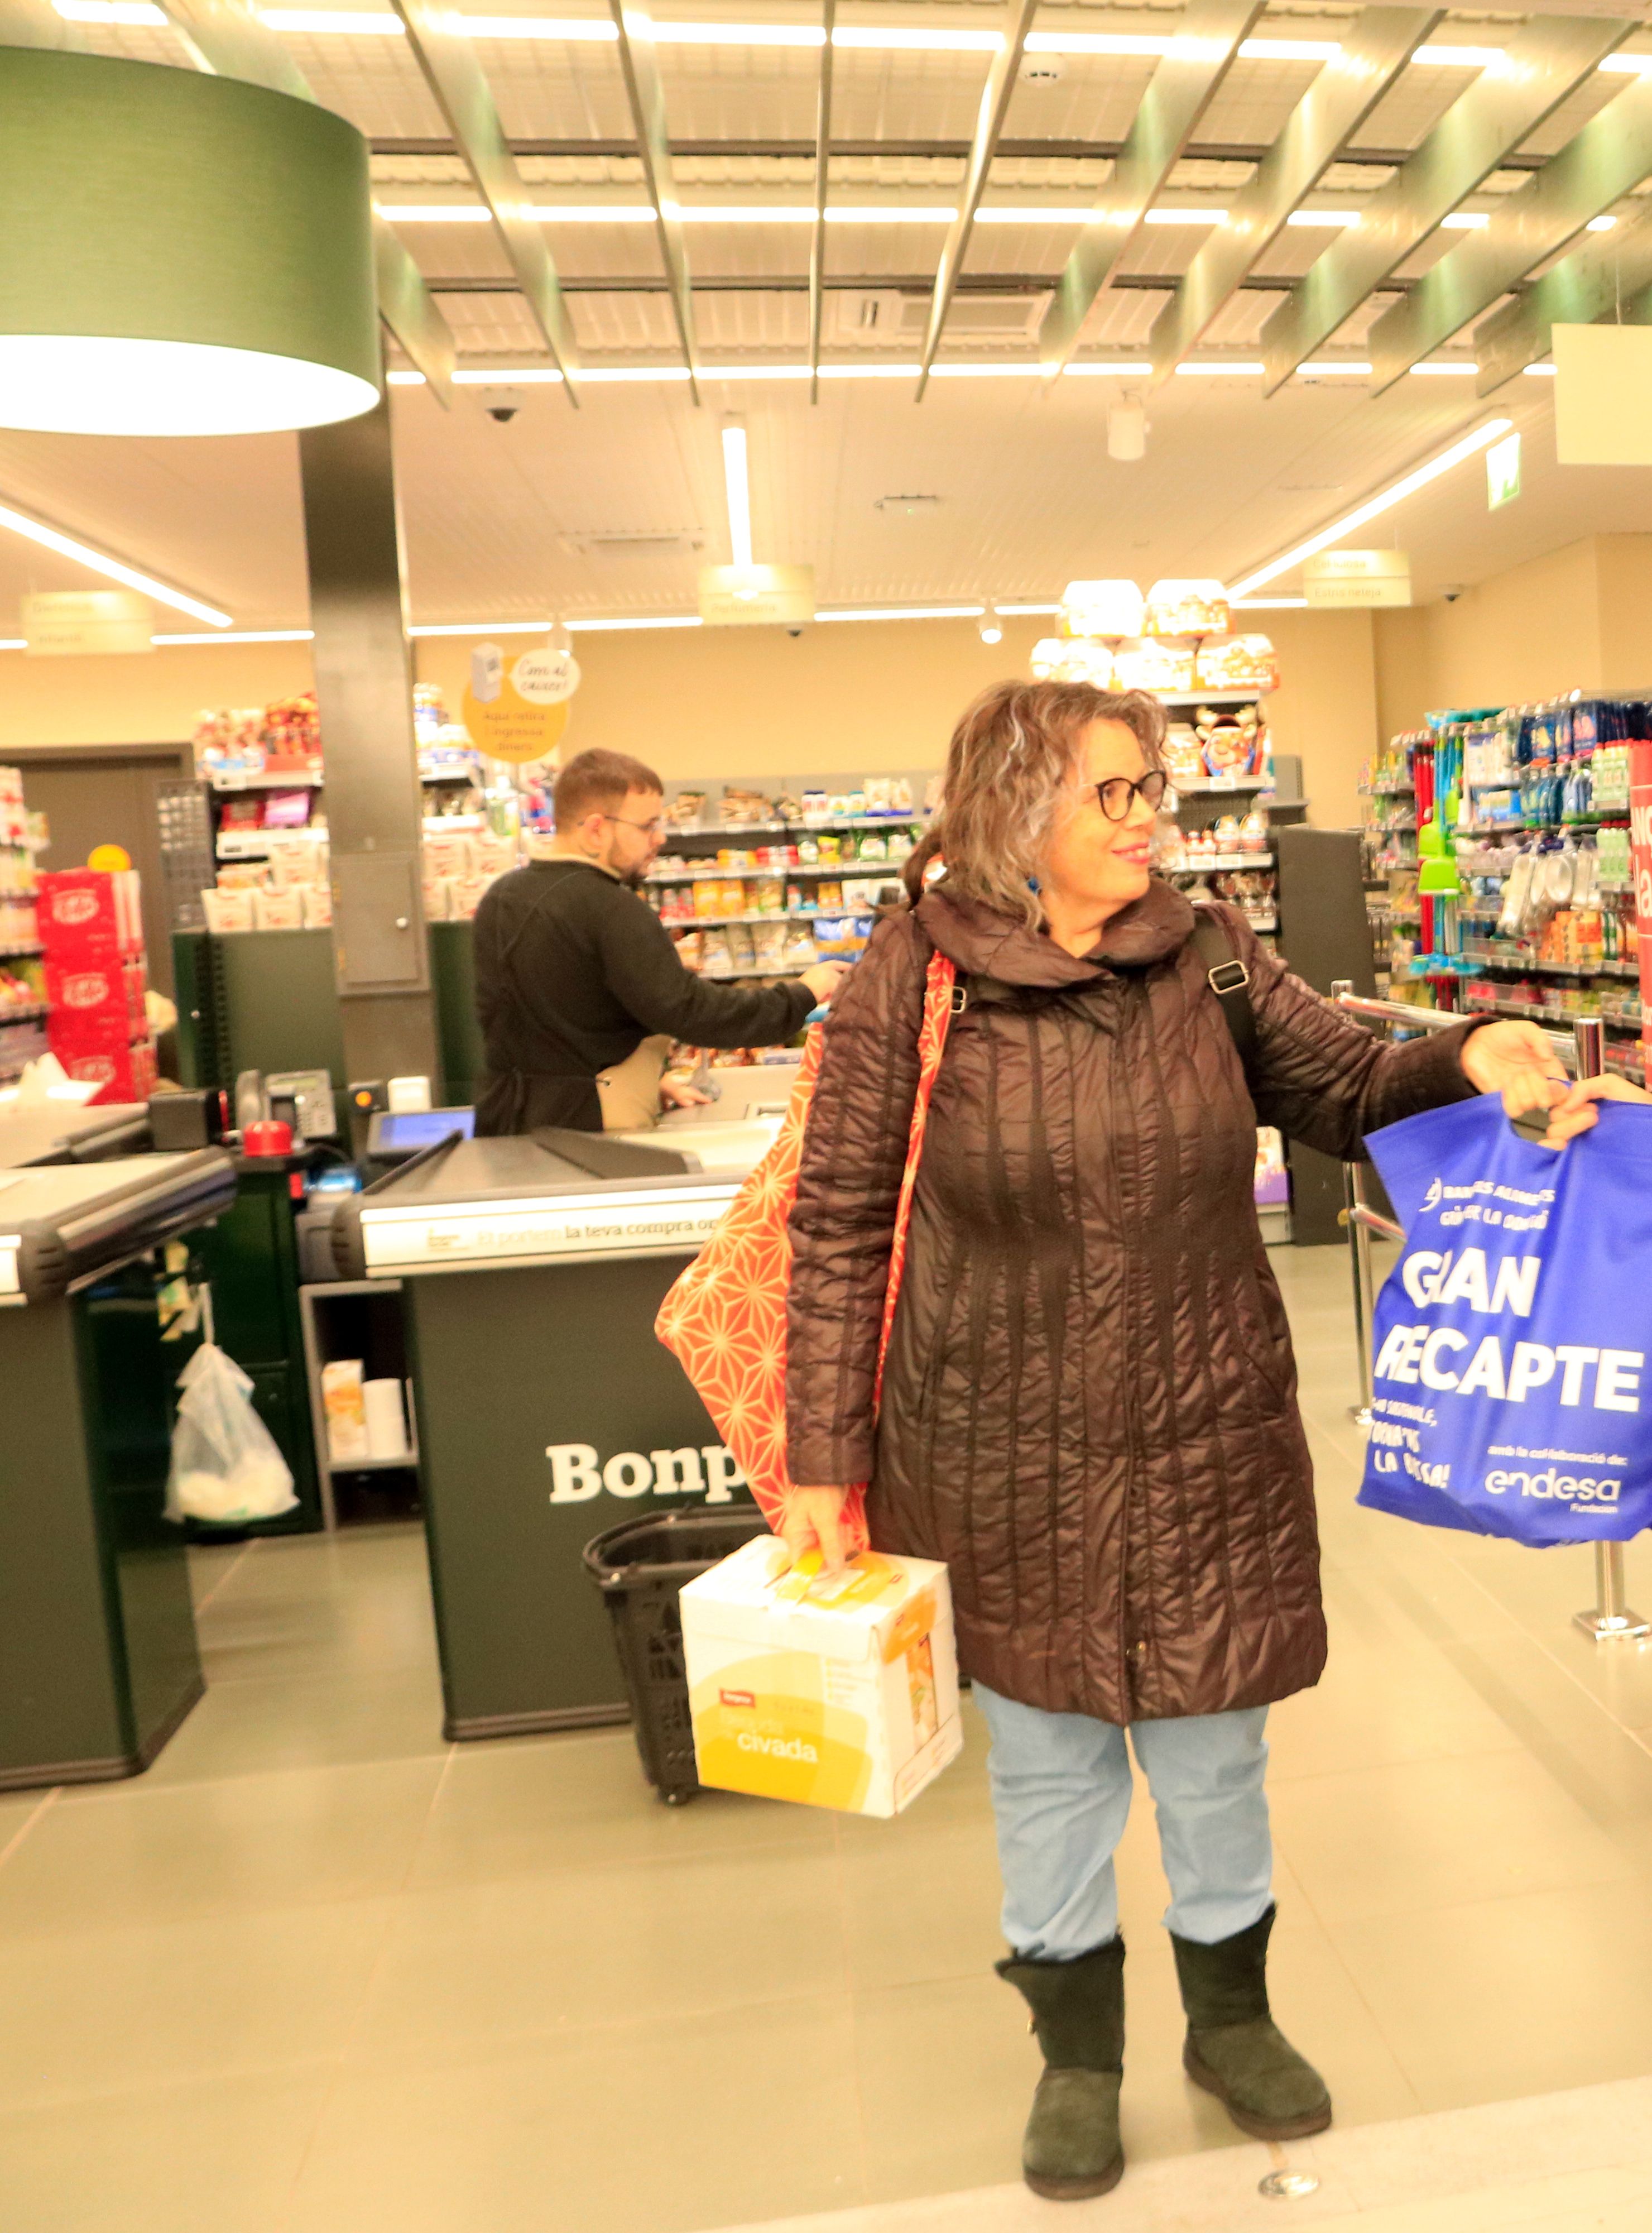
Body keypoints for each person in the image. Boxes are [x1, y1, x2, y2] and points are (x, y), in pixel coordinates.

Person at [776, 679, 1591, 2204]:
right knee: (1053, 1765)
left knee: (1219, 1750)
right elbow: (835, 1219)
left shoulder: (1208, 955)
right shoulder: (916, 976)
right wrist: (823, 1455)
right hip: (998, 1437)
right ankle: (1076, 2056)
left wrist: (1468, 1053)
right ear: (1017, 811)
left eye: (1157, 788)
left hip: (1203, 1420)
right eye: (1118, 794)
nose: (1155, 816)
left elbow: (1344, 1083)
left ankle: (1232, 2021)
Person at [470, 746, 843, 1134]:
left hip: (506, 1120)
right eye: (647, 826)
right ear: (597, 829)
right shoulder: (611, 907)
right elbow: (694, 1013)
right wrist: (802, 994)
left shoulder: (502, 896)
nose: (660, 837)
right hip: (589, 1130)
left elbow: (556, 1017)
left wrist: (648, 1079)